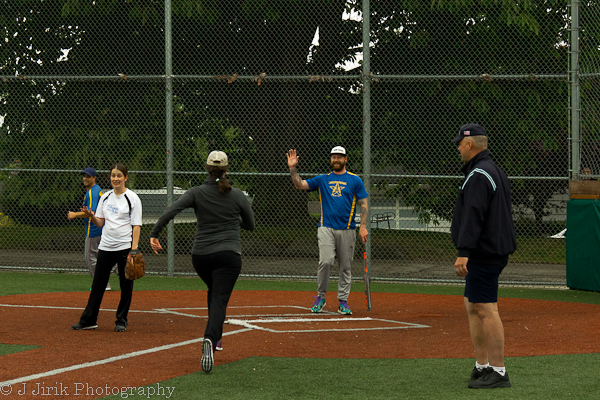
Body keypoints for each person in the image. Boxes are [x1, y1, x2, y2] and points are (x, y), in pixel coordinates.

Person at [149, 151, 255, 373]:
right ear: (226, 169)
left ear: (206, 169)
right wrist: (233, 217)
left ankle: (216, 339)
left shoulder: (196, 192)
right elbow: (250, 225)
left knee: (214, 290)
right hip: (228, 256)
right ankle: (209, 338)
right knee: (219, 297)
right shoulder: (237, 195)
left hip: (201, 256)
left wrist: (155, 233)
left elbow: (172, 210)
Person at [450, 123, 517, 389]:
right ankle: (483, 365)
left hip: (484, 252)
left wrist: (464, 252)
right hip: (490, 249)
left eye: (459, 143)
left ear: (470, 145)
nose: (457, 148)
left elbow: (473, 215)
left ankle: (499, 371)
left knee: (485, 309)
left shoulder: (479, 174)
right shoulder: (492, 170)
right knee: (472, 305)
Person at [287, 146, 369, 315]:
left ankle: (343, 301)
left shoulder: (355, 180)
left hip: (347, 229)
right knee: (325, 261)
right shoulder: (322, 179)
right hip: (326, 228)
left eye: (339, 157)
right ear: (330, 159)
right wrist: (292, 168)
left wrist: (362, 226)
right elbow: (299, 185)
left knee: (345, 267)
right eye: (333, 157)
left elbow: (364, 203)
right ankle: (321, 297)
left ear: (345, 159)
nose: (336, 159)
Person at [71, 163, 143, 333]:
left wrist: (134, 250)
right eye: (113, 175)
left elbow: (136, 226)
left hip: (124, 246)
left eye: (119, 175)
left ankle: (121, 320)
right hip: (106, 246)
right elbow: (101, 222)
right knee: (98, 284)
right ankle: (89, 320)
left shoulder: (132, 198)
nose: (115, 179)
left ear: (125, 177)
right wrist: (91, 216)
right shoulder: (106, 197)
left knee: (126, 285)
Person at [67, 167, 114, 291]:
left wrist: (75, 214)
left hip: (93, 229)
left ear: (94, 178)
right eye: (84, 176)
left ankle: (103, 284)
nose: (85, 178)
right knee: (103, 257)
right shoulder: (97, 189)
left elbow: (91, 212)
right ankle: (120, 269)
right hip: (101, 228)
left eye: (88, 176)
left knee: (90, 258)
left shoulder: (92, 192)